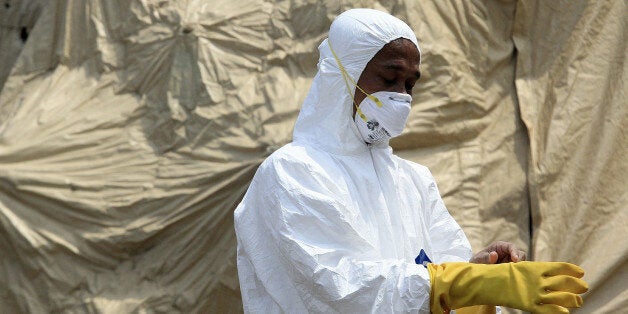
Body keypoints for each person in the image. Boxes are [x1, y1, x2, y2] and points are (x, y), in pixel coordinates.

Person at [234, 8, 587, 314]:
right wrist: (458, 282)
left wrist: (480, 271)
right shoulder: (293, 172)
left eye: (409, 84)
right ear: (343, 75)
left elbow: (437, 274)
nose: (401, 96)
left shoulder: (412, 180)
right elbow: (338, 288)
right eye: (389, 78)